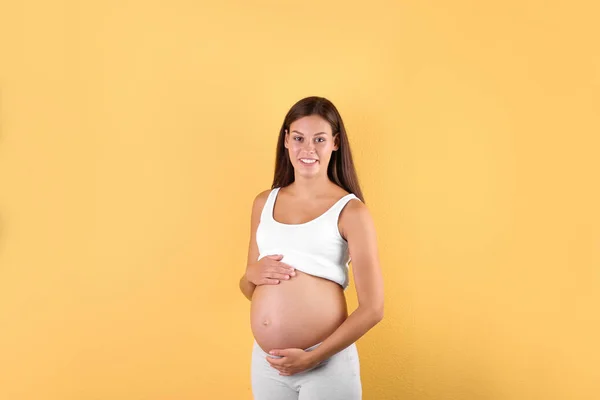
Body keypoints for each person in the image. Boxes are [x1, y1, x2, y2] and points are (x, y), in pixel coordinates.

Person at [239, 96, 384, 400]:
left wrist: (313, 357)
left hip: (325, 364)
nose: (308, 149)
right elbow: (249, 287)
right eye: (299, 138)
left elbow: (373, 309)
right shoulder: (263, 203)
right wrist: (251, 274)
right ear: (286, 140)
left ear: (335, 143)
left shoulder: (351, 211)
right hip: (269, 364)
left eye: (319, 139)